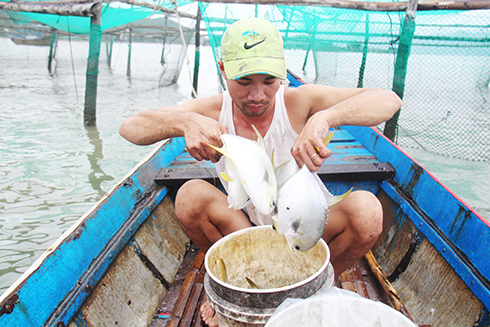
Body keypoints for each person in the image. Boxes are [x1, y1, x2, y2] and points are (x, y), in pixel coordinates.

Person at [119, 17, 402, 326]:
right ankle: (231, 286)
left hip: (304, 225)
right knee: (188, 197)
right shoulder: (213, 110)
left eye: (269, 81)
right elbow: (129, 127)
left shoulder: (298, 101)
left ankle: (315, 287)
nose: (257, 96)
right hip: (243, 226)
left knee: (368, 212)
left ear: (282, 74)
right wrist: (183, 122)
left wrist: (325, 118)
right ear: (223, 69)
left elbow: (388, 100)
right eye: (244, 82)